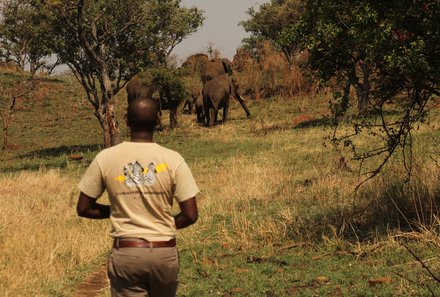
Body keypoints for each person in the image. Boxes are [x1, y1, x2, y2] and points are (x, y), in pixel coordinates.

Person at [76, 96, 199, 297]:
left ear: (126, 121)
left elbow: (83, 208)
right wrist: (160, 224)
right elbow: (191, 215)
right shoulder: (173, 159)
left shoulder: (105, 158)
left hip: (127, 253)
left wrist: (117, 210)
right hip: (163, 253)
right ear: (159, 120)